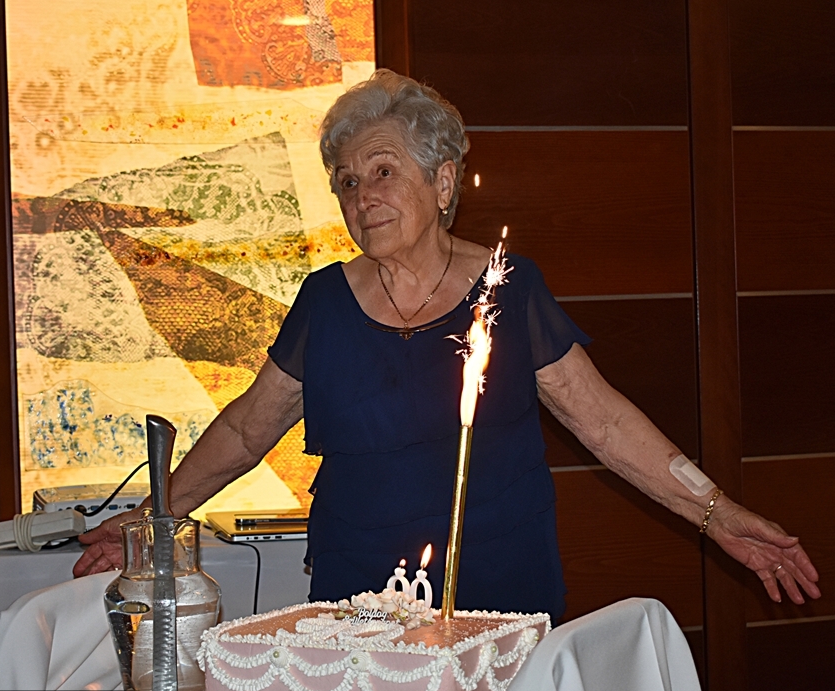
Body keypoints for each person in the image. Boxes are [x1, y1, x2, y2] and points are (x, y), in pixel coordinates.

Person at [74, 70, 819, 620]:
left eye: (383, 171)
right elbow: (245, 429)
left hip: (498, 589)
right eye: (346, 182)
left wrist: (716, 511)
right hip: (358, 598)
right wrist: (153, 517)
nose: (363, 196)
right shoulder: (324, 302)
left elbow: (605, 420)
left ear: (443, 181)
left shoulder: (508, 287)